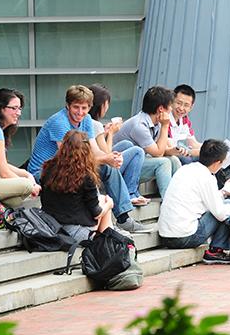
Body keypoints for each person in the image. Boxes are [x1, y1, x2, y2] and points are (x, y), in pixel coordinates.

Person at [26, 85, 148, 233]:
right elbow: (68, 159)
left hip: (68, 168)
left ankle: (123, 218)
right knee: (92, 171)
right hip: (44, 173)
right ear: (68, 105)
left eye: (84, 108)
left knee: (107, 168)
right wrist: (105, 159)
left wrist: (109, 158)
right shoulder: (59, 122)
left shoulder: (87, 119)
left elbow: (94, 150)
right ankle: (102, 219)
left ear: (90, 107)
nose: (80, 112)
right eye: (76, 107)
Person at [158, 139, 230, 264]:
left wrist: (224, 192)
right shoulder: (207, 178)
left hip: (165, 236)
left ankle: (217, 248)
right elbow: (220, 214)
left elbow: (206, 199)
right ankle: (216, 250)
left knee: (224, 203)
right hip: (184, 237)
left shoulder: (185, 170)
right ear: (217, 163)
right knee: (228, 205)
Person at [40, 130, 114, 241]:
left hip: (50, 227)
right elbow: (97, 213)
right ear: (86, 151)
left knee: (101, 199)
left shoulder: (48, 168)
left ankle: (108, 239)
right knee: (105, 201)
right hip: (76, 232)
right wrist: (109, 204)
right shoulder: (86, 176)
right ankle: (109, 242)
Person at [113, 86, 182, 199]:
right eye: (170, 106)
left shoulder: (155, 121)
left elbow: (162, 147)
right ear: (161, 109)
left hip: (140, 161)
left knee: (173, 160)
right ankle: (169, 201)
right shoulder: (139, 125)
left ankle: (181, 197)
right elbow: (158, 153)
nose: (171, 109)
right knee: (163, 162)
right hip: (123, 169)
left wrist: (174, 150)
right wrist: (165, 126)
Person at [88, 84, 148, 206]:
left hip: (94, 162)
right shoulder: (95, 124)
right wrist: (111, 134)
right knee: (137, 151)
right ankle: (130, 192)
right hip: (99, 168)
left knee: (126, 144)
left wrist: (105, 133)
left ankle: (129, 190)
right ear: (102, 105)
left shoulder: (89, 121)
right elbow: (107, 155)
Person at [168, 84, 202, 164]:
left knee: (213, 157)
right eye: (179, 103)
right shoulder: (165, 118)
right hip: (170, 153)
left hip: (181, 152)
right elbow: (171, 147)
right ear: (172, 101)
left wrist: (211, 148)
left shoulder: (184, 119)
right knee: (187, 160)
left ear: (191, 107)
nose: (181, 108)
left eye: (186, 105)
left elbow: (193, 143)